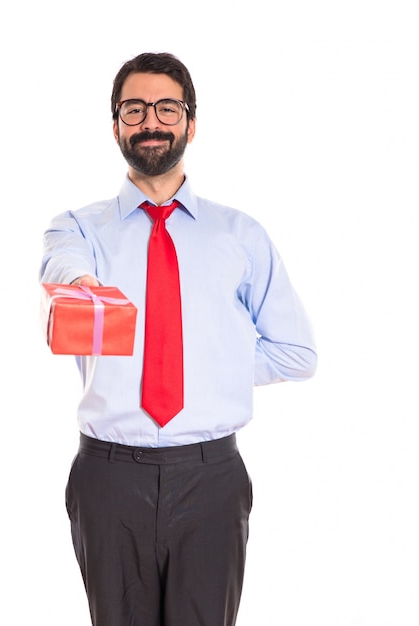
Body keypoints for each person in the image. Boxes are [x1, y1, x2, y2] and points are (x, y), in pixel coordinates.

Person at [40, 52, 317, 626]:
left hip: (210, 479)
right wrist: (83, 283)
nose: (151, 121)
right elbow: (61, 264)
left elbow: (296, 353)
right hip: (108, 479)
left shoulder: (240, 234)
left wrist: (206, 359)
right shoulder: (79, 227)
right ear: (115, 124)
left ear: (191, 123)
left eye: (167, 107)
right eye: (134, 109)